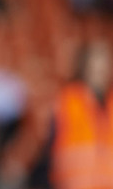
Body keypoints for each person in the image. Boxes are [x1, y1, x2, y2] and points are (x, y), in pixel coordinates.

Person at [46, 41, 113, 189]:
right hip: (75, 183)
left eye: (105, 63)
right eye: (96, 62)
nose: (100, 69)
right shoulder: (67, 99)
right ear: (85, 65)